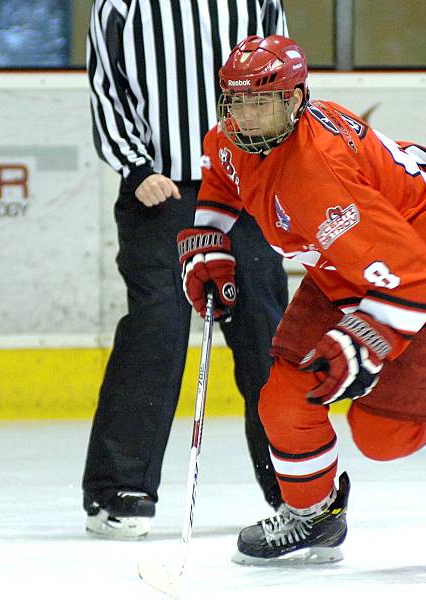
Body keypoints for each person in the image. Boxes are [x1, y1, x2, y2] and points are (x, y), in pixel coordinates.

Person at [177, 34, 426, 563]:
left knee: (382, 437)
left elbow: (410, 277)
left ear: (295, 99)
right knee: (284, 396)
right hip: (347, 257)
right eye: (236, 102)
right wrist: (210, 238)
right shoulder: (234, 137)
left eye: (262, 103)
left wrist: (361, 341)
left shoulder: (317, 178)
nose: (247, 117)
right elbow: (222, 177)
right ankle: (315, 517)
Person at [82, 1, 290, 540]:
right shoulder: (121, 3)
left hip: (246, 186)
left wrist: (273, 163)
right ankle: (119, 489)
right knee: (158, 328)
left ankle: (297, 489)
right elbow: (107, 85)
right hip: (161, 188)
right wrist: (135, 165)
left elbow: (282, 78)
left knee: (268, 335)